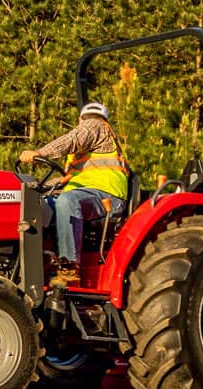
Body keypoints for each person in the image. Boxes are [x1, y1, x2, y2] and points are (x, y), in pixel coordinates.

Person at [19, 102, 129, 287]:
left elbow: (75, 138)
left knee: (67, 201)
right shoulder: (82, 155)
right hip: (82, 194)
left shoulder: (97, 127)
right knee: (36, 204)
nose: (87, 123)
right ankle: (37, 261)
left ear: (80, 120)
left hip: (107, 197)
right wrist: (34, 187)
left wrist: (40, 153)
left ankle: (69, 266)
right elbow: (66, 179)